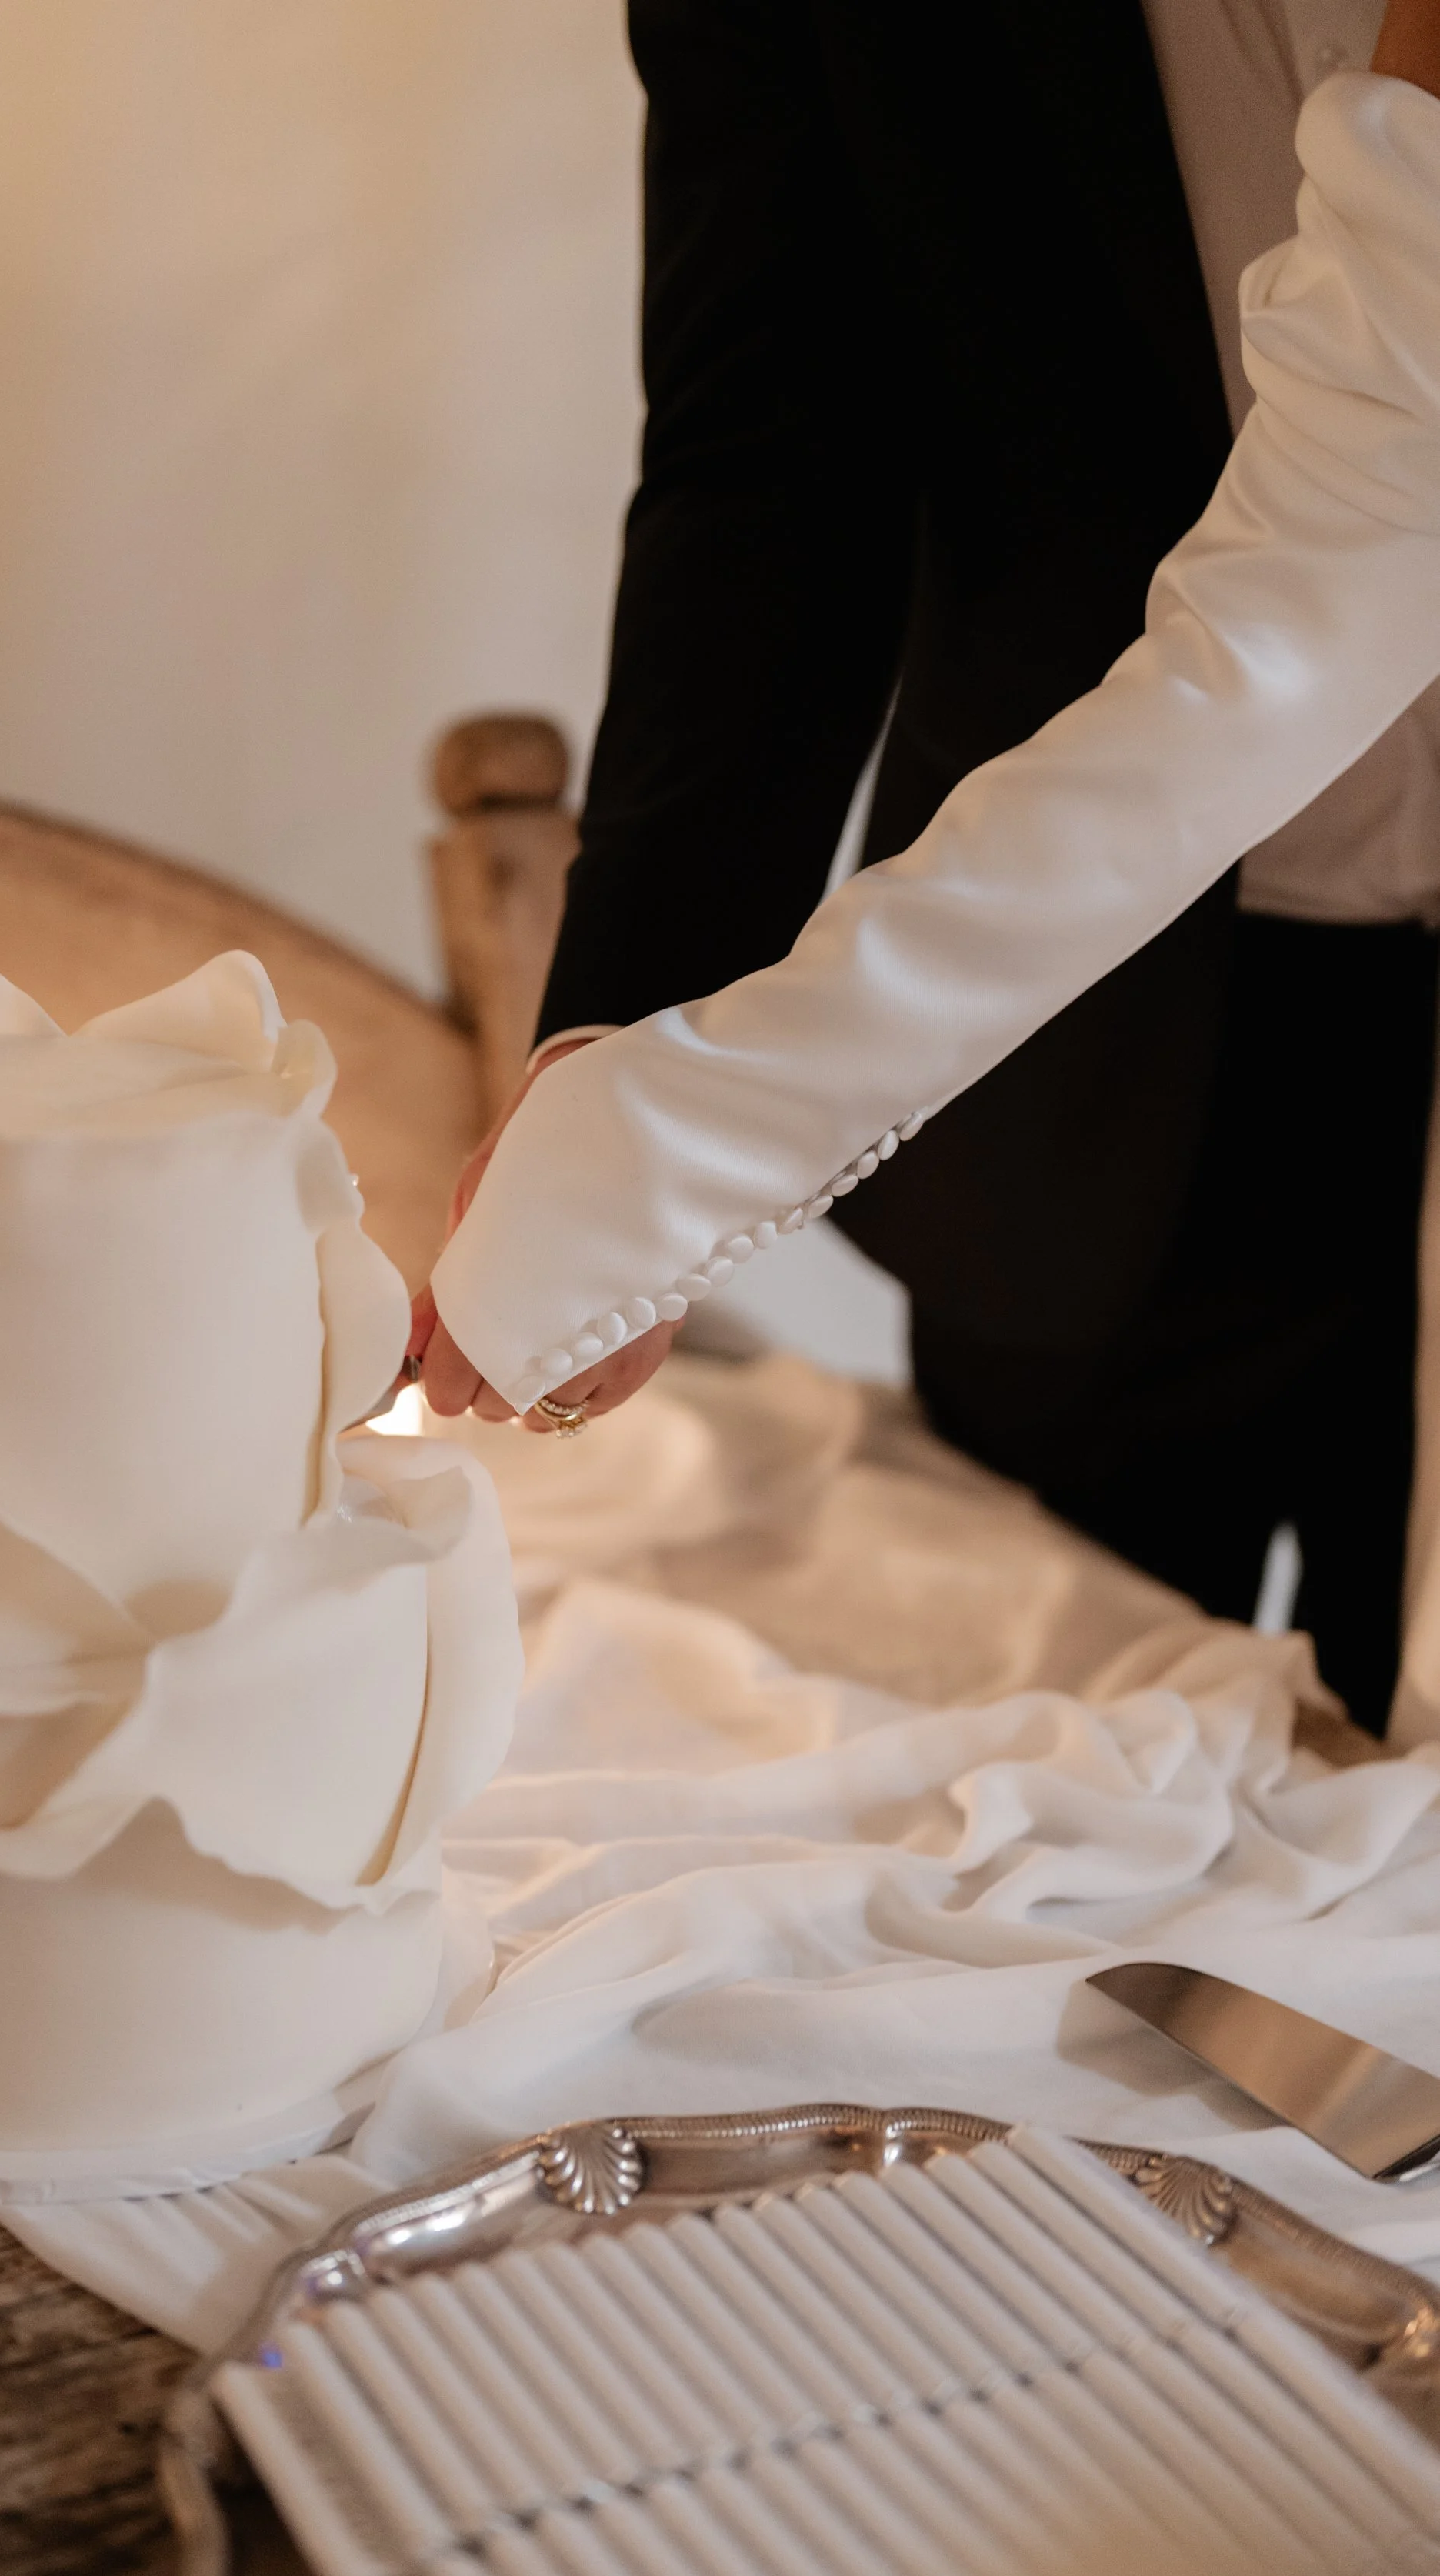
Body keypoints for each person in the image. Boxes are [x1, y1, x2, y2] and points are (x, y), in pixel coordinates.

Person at [415, 2, 1440, 1740]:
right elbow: (763, 459)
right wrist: (626, 1046)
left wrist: (686, 1141)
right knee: (1055, 1752)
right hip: (1105, 1078)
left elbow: (1320, 579)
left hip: (1127, 900)